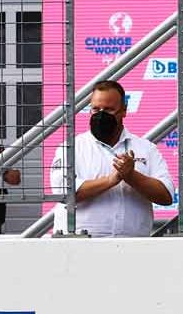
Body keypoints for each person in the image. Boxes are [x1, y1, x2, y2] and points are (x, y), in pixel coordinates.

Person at [48, 79, 174, 238]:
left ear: (123, 111)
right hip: (79, 246)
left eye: (108, 110)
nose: (101, 115)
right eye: (95, 109)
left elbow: (166, 195)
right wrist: (111, 180)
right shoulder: (70, 148)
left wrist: (131, 176)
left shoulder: (146, 148)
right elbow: (64, 193)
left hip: (133, 247)